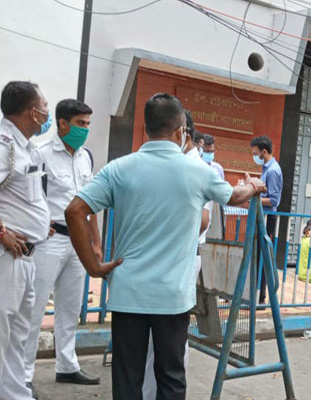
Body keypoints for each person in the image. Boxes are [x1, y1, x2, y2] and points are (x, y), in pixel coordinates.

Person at [65, 93, 266, 399]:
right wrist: (253, 185)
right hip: (172, 297)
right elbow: (234, 196)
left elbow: (74, 211)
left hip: (128, 294)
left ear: (147, 128)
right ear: (181, 130)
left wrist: (93, 267)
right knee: (171, 377)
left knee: (127, 378)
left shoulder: (119, 169)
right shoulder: (198, 171)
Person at [24, 99, 102, 390]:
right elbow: (30, 196)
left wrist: (95, 242)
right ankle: (23, 375)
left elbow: (90, 202)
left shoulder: (85, 157)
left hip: (78, 242)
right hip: (49, 240)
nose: (85, 129)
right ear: (62, 123)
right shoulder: (41, 153)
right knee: (34, 309)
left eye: (88, 124)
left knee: (70, 307)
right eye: (81, 123)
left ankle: (67, 366)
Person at [141, 110, 214, 400]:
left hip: (182, 257)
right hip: (164, 257)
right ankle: (151, 391)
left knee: (171, 334)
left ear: (183, 133)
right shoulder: (173, 165)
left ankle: (160, 392)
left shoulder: (196, 169)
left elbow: (203, 220)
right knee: (157, 333)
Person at [0, 81, 52, 400]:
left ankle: (15, 394)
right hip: (7, 256)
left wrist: (40, 224)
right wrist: (2, 232)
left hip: (26, 256)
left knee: (17, 336)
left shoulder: (27, 148)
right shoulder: (4, 144)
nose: (47, 111)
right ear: (33, 112)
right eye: (44, 106)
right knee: (2, 332)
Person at [246, 135, 283, 306]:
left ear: (264, 152)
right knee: (256, 255)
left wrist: (253, 197)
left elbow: (274, 200)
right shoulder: (267, 168)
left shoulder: (273, 170)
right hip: (262, 216)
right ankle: (253, 294)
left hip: (268, 218)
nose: (254, 156)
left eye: (256, 153)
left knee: (262, 256)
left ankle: (260, 297)